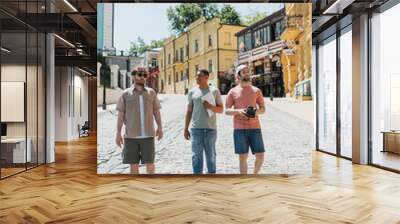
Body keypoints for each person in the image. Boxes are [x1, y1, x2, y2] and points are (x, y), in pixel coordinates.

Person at [115, 67, 163, 174]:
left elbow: (156, 112)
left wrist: (160, 127)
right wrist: (118, 133)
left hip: (148, 136)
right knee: (133, 166)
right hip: (131, 136)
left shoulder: (152, 93)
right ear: (133, 76)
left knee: (150, 165)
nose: (143, 77)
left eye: (145, 75)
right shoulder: (125, 94)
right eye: (140, 75)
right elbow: (121, 114)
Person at [225, 64, 266, 174]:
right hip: (239, 129)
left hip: (255, 127)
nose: (247, 73)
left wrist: (255, 112)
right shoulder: (232, 92)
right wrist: (238, 111)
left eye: (248, 71)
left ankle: (255, 175)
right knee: (243, 158)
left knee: (260, 156)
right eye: (244, 72)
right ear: (238, 76)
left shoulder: (257, 90)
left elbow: (263, 109)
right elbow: (226, 110)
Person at [184, 69, 223, 174]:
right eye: (196, 76)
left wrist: (210, 106)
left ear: (206, 77)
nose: (197, 78)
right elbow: (189, 111)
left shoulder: (214, 91)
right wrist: (185, 129)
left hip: (210, 130)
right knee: (196, 156)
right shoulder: (192, 92)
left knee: (211, 156)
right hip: (196, 129)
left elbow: (221, 109)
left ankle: (211, 177)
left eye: (200, 76)